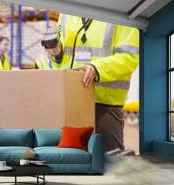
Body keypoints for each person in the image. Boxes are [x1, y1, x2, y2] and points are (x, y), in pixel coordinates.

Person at [40, 14, 139, 153]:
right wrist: (56, 53)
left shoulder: (122, 11)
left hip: (105, 102)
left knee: (110, 160)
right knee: (72, 157)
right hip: (71, 100)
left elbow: (129, 58)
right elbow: (63, 57)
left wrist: (96, 68)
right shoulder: (66, 13)